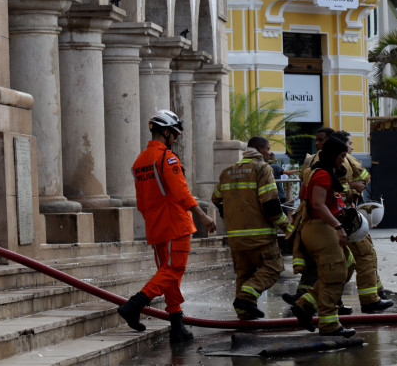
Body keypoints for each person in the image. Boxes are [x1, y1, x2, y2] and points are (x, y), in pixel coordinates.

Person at [118, 109, 217, 343]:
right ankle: (134, 305)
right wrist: (202, 216)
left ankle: (177, 324)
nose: (176, 138)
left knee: (168, 273)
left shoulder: (140, 161)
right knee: (173, 271)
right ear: (165, 132)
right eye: (174, 134)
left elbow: (141, 202)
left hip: (156, 226)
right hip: (174, 223)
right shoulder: (168, 158)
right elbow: (181, 192)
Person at [212, 137, 286, 320]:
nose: (269, 153)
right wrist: (286, 225)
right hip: (259, 236)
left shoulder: (227, 172)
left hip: (236, 238)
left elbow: (215, 198)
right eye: (268, 149)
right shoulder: (262, 169)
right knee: (273, 267)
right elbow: (270, 205)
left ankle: (245, 312)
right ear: (260, 149)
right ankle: (246, 298)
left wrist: (230, 217)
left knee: (244, 273)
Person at [289, 137, 356, 337]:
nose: (343, 161)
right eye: (342, 156)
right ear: (333, 155)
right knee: (334, 275)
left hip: (320, 227)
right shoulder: (322, 175)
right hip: (321, 228)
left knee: (346, 266)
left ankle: (305, 305)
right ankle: (329, 325)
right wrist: (338, 226)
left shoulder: (318, 173)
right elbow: (318, 204)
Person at [332, 130, 393, 314]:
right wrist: (352, 187)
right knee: (363, 257)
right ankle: (369, 300)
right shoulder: (339, 163)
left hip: (343, 216)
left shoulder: (343, 161)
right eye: (349, 144)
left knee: (358, 257)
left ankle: (377, 291)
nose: (352, 147)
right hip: (343, 216)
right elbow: (332, 190)